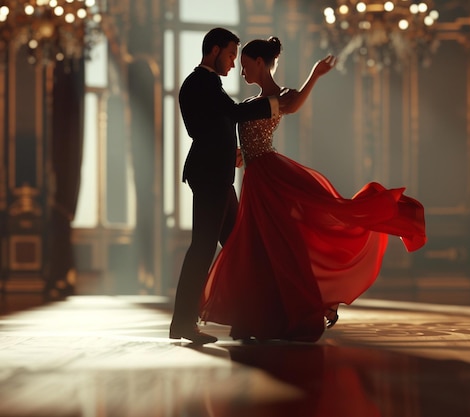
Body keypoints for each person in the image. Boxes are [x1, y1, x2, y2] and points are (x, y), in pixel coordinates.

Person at [199, 37, 427, 343]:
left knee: (278, 245)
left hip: (269, 177)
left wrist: (315, 76)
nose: (241, 72)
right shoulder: (252, 104)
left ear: (258, 63)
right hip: (255, 176)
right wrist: (243, 154)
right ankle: (258, 317)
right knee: (263, 247)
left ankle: (291, 310)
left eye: (244, 65)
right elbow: (253, 134)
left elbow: (292, 105)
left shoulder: (281, 96)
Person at [169, 28, 295, 344]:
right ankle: (184, 322)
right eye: (229, 56)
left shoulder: (207, 85)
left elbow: (216, 125)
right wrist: (275, 104)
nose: (232, 64)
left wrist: (231, 151)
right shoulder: (202, 83)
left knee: (238, 247)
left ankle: (247, 320)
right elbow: (232, 114)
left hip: (217, 175)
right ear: (213, 51)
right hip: (211, 176)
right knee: (203, 247)